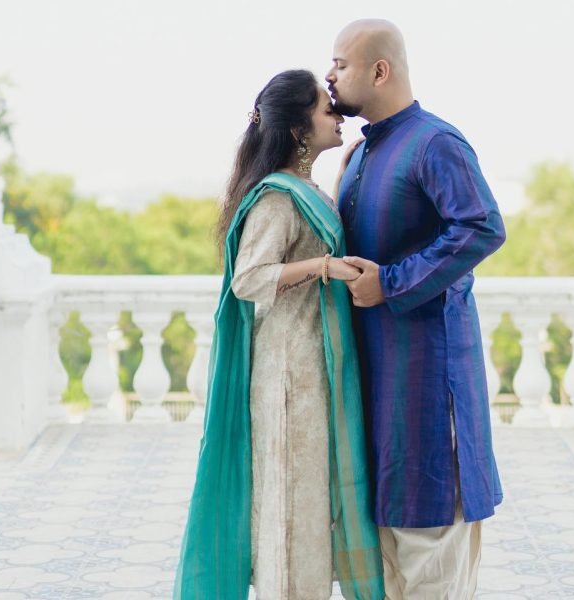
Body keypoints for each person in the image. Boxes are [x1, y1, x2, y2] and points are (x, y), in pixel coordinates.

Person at [172, 69, 384, 600]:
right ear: (297, 128)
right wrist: (324, 267)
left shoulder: (307, 189)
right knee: (292, 510)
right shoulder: (276, 198)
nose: (336, 116)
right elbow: (249, 279)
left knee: (313, 509)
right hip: (288, 378)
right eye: (324, 109)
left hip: (314, 371)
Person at [325, 19, 506, 599]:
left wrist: (394, 283)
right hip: (377, 380)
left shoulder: (435, 143)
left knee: (430, 548)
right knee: (384, 556)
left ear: (380, 71)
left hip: (428, 382)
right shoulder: (361, 154)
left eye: (340, 64)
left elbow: (481, 226)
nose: (330, 75)